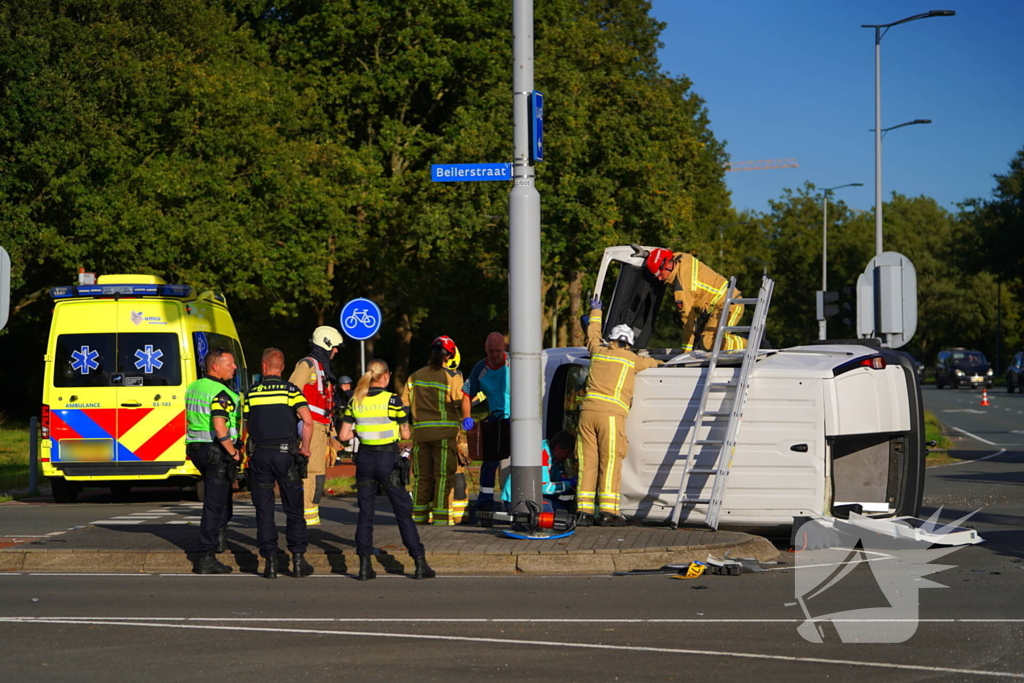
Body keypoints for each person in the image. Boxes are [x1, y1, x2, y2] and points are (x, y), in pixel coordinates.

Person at [339, 359, 435, 580]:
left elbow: (344, 436)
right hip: (387, 460)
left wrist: (361, 432)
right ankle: (419, 563)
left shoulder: (356, 400)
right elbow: (406, 435)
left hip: (365, 460)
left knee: (365, 515)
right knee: (403, 513)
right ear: (385, 377)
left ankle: (364, 567)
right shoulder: (392, 400)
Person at [576, 298, 661, 526]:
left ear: (611, 339)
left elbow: (592, 334)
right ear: (629, 344)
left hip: (587, 414)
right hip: (611, 416)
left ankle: (583, 512)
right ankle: (608, 513)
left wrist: (596, 310)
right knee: (610, 462)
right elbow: (653, 364)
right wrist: (661, 362)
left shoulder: (598, 350)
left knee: (588, 462)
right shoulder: (632, 359)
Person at [242, 348, 315, 580]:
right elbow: (309, 421)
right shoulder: (291, 391)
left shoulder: (251, 393)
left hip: (260, 457)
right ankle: (298, 560)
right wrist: (305, 448)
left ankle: (270, 563)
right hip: (287, 457)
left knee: (264, 512)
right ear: (282, 368)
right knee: (294, 511)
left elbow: (244, 426)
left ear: (263, 366)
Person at [185, 348, 242, 574]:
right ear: (215, 366)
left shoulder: (194, 387)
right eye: (230, 364)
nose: (235, 368)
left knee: (220, 497)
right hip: (216, 450)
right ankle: (206, 556)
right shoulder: (221, 392)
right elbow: (220, 425)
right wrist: (233, 451)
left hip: (198, 448)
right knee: (214, 505)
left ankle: (219, 540)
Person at [402, 336, 464, 526]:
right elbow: (461, 403)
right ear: (450, 356)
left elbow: (404, 406)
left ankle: (418, 520)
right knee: (443, 478)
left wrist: (405, 428)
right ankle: (441, 521)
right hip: (445, 436)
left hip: (420, 436)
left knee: (422, 478)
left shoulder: (414, 377)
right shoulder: (452, 377)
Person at [288, 326, 343, 526]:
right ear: (326, 345)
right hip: (311, 427)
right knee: (311, 473)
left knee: (318, 474)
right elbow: (292, 392)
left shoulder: (322, 367)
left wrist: (333, 432)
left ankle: (310, 517)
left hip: (322, 428)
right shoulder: (308, 365)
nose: (336, 351)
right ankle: (306, 520)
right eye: (334, 347)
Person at [645, 247, 747, 353]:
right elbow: (665, 254)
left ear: (669, 266)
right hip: (725, 301)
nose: (659, 279)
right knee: (702, 341)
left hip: (729, 304)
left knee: (708, 341)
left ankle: (748, 344)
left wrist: (685, 353)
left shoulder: (682, 288)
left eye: (659, 274)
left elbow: (689, 323)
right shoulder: (682, 257)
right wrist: (648, 254)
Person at [459, 332, 510, 514]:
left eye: (498, 350)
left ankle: (513, 498)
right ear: (485, 349)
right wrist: (467, 416)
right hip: (496, 419)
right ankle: (485, 501)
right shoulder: (480, 368)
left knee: (518, 462)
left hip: (518, 418)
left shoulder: (514, 364)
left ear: (505, 348)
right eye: (491, 351)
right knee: (489, 461)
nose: (494, 355)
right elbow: (466, 394)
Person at [499, 430, 577, 511]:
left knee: (568, 507)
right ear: (558, 447)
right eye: (568, 453)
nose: (568, 457)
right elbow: (545, 488)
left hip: (531, 495)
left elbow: (554, 478)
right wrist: (569, 484)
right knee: (554, 511)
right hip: (518, 500)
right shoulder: (542, 455)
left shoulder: (550, 453)